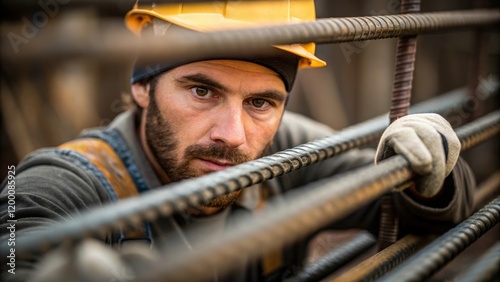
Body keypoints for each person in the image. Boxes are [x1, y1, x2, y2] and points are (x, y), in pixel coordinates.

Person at [0, 1, 477, 281]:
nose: (233, 135)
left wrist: (430, 175)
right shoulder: (64, 184)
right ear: (141, 87)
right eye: (202, 91)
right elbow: (20, 236)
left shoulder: (288, 149)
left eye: (260, 103)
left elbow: (426, 209)